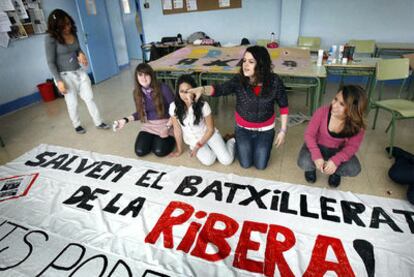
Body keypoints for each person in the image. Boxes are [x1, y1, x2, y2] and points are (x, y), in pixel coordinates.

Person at [189, 45, 288, 170]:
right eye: (244, 61)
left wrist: (283, 131)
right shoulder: (239, 80)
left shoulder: (275, 81)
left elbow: (284, 106)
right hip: (243, 130)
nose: (245, 65)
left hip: (265, 131)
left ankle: (254, 145)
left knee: (261, 165)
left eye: (251, 62)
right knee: (245, 164)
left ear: (262, 64)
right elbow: (220, 89)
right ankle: (233, 139)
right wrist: (202, 89)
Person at [45, 9, 109, 134]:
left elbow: (77, 49)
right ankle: (77, 125)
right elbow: (50, 62)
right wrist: (59, 81)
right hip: (63, 76)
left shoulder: (72, 33)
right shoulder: (50, 39)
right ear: (56, 27)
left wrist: (81, 54)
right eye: (63, 26)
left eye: (68, 23)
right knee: (72, 102)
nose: (67, 27)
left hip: (78, 72)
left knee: (89, 98)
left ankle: (99, 122)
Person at [297, 85, 367, 187]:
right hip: (318, 146)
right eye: (335, 99)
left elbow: (352, 147)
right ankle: (311, 169)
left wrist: (336, 161)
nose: (334, 105)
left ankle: (335, 172)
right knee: (303, 162)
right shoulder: (322, 112)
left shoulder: (358, 126)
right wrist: (316, 156)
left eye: (342, 104)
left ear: (353, 110)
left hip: (338, 150)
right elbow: (309, 135)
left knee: (354, 168)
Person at [169, 75, 235, 166]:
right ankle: (216, 147)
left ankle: (230, 140)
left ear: (194, 90)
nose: (185, 95)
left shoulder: (203, 105)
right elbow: (177, 130)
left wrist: (198, 146)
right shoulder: (173, 107)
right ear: (178, 92)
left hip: (209, 134)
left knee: (226, 161)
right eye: (182, 91)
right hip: (193, 140)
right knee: (209, 161)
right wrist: (179, 150)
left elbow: (210, 129)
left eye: (188, 91)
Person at [114, 63, 175, 157]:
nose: (144, 78)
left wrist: (167, 127)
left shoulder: (163, 88)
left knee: (159, 151)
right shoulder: (136, 93)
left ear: (151, 75)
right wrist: (125, 120)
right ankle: (154, 139)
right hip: (149, 126)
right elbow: (140, 113)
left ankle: (164, 139)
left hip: (166, 124)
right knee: (140, 151)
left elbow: (176, 110)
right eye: (140, 75)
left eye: (146, 74)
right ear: (137, 77)